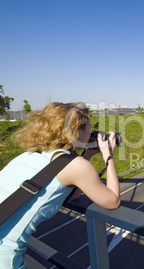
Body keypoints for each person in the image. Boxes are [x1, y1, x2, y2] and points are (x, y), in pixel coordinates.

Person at [0, 102, 120, 269]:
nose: (92, 134)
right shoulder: (76, 166)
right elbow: (112, 200)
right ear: (76, 132)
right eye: (89, 129)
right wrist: (108, 155)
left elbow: (74, 194)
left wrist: (88, 155)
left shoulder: (29, 155)